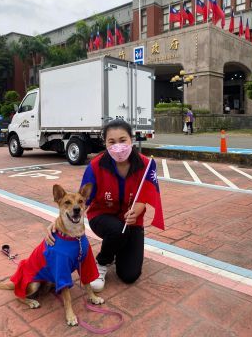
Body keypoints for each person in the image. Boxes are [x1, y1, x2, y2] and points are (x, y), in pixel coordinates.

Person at [45, 119, 164, 292]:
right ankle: (102, 262)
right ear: (105, 143)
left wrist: (136, 212)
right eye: (112, 142)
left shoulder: (146, 165)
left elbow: (144, 196)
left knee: (129, 275)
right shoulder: (95, 166)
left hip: (132, 221)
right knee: (117, 231)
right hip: (102, 217)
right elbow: (80, 200)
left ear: (131, 139)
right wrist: (56, 223)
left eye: (123, 140)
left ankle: (117, 247)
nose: (118, 146)